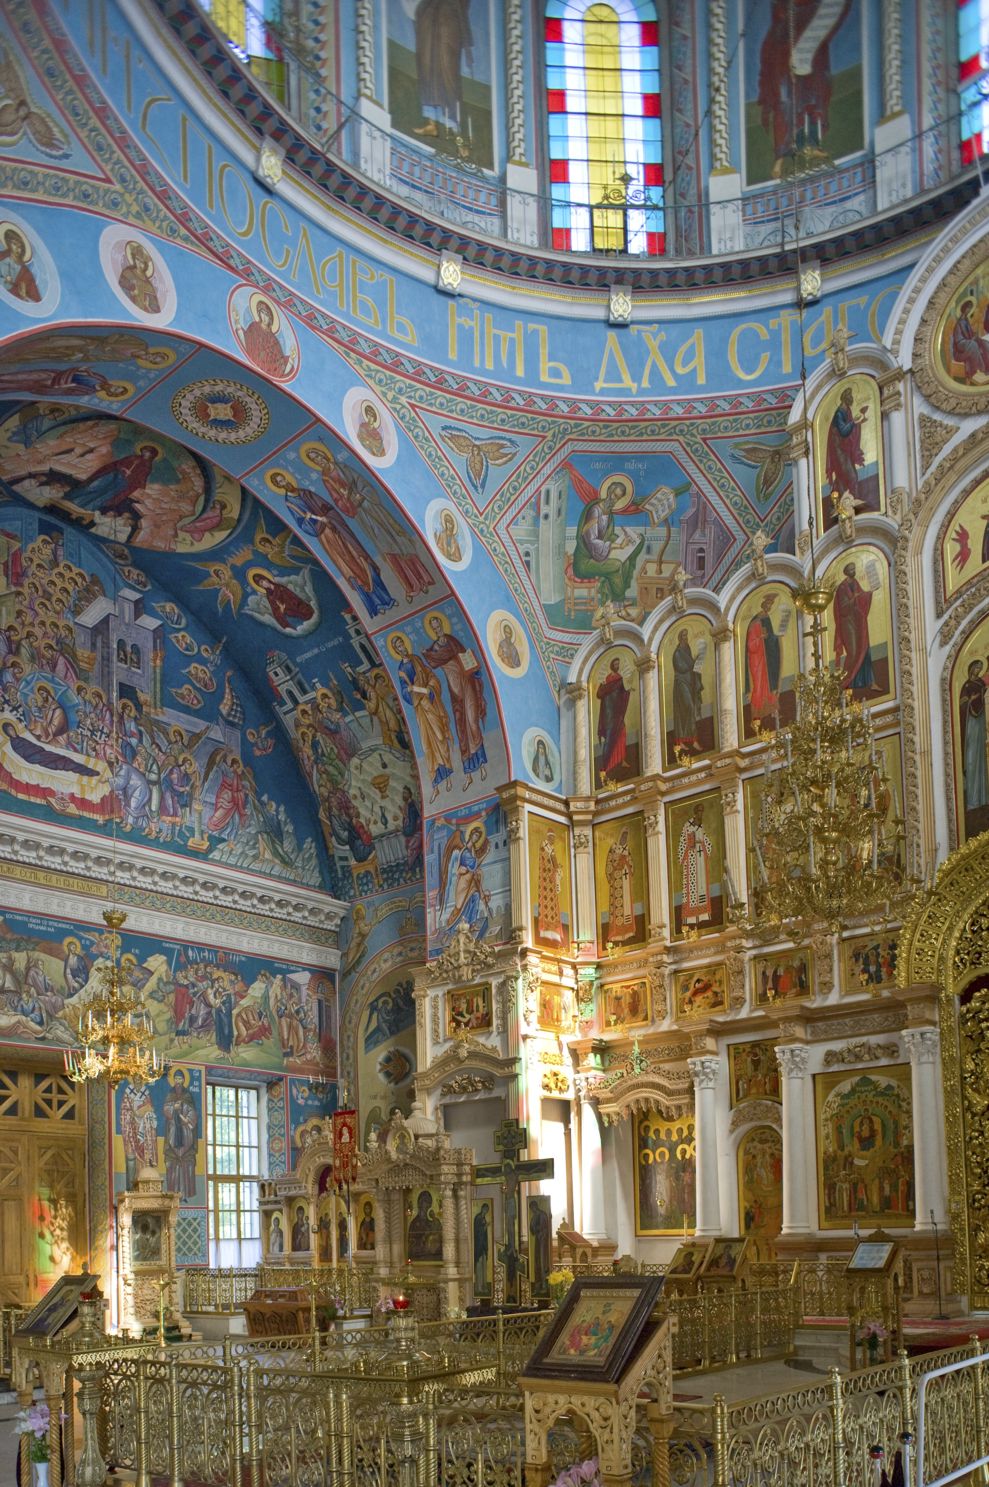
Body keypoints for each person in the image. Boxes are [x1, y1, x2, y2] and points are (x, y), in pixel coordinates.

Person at [756, 0, 852, 177]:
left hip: (811, 53)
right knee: (786, 104)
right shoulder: (783, 18)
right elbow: (780, 17)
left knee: (814, 97)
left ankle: (813, 145)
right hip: (782, 56)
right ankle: (781, 157)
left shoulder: (814, 11)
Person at [422, 612, 487, 788]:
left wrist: (475, 671)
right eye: (433, 627)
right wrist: (426, 654)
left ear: (442, 625)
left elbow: (465, 656)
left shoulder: (452, 640)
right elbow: (433, 662)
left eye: (438, 625)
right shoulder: (434, 650)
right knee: (461, 728)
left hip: (467, 684)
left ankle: (481, 763)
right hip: (455, 690)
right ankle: (468, 772)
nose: (436, 629)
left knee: (472, 723)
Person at [572, 478, 644, 610]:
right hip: (584, 562)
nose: (614, 499)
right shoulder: (595, 511)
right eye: (614, 494)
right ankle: (617, 604)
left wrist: (625, 538)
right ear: (609, 491)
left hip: (597, 555)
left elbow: (608, 536)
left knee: (625, 562)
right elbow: (592, 542)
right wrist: (618, 546)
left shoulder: (608, 514)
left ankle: (616, 599)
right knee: (616, 565)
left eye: (618, 498)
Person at [411, 0, 473, 138]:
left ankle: (458, 134)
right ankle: (431, 123)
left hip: (447, 29)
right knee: (427, 72)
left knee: (448, 76)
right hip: (430, 29)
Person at [832, 561, 875, 692]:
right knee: (853, 651)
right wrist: (853, 599)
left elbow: (861, 597)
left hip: (858, 621)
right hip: (847, 624)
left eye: (854, 568)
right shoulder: (842, 588)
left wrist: (869, 593)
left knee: (864, 647)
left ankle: (867, 681)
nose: (853, 571)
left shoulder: (855, 583)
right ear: (846, 571)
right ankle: (844, 682)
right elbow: (843, 609)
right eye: (851, 569)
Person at [825, 386, 870, 507]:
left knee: (843, 477)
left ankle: (840, 503)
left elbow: (848, 429)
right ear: (845, 398)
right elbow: (844, 431)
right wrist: (854, 422)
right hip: (838, 451)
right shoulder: (840, 413)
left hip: (844, 449)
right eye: (850, 396)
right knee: (851, 476)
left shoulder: (847, 410)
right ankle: (851, 503)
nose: (852, 398)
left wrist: (857, 423)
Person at [745, 595, 782, 733]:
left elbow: (770, 638)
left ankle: (772, 709)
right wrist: (760, 638)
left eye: (771, 604)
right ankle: (757, 715)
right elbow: (750, 645)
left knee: (769, 683)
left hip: (766, 658)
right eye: (767, 603)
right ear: (762, 604)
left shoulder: (767, 618)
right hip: (757, 659)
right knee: (759, 685)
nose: (769, 606)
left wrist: (774, 638)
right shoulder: (755, 622)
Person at [237, 295, 295, 377]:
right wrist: (237, 323)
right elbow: (247, 342)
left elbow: (279, 360)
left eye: (267, 315)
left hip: (269, 367)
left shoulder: (274, 339)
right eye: (262, 313)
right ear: (258, 313)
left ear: (270, 318)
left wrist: (291, 359)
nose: (264, 317)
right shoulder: (253, 326)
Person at [163, 1068, 198, 1200]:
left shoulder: (188, 1095)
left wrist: (186, 1118)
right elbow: (166, 1110)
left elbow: (193, 1113)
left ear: (184, 1080)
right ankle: (173, 1194)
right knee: (172, 1164)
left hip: (185, 1135)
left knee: (186, 1164)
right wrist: (173, 1108)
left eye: (180, 1079)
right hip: (173, 1132)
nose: (178, 1082)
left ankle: (185, 1194)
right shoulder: (170, 1094)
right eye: (176, 1079)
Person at [678, 804, 714, 930]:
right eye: (699, 811)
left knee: (702, 886)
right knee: (692, 887)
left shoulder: (701, 826)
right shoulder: (687, 826)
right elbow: (683, 842)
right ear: (695, 812)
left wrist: (706, 847)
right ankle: (691, 917)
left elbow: (706, 841)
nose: (701, 814)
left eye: (702, 811)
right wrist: (690, 844)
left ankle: (703, 915)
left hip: (700, 858)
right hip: (692, 858)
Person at [960, 658, 989, 817]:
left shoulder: (980, 684)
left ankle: (983, 797)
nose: (978, 670)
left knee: (981, 759)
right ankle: (972, 800)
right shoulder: (965, 686)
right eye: (976, 667)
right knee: (971, 757)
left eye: (980, 668)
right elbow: (962, 703)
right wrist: (970, 700)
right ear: (971, 668)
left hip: (980, 722)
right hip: (970, 724)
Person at [595, 657, 630, 781]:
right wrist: (603, 686)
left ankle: (620, 759)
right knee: (609, 738)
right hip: (609, 714)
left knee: (622, 732)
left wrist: (628, 691)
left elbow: (622, 693)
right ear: (611, 665)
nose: (617, 665)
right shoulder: (608, 679)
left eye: (618, 664)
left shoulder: (620, 678)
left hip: (617, 713)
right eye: (615, 664)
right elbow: (600, 694)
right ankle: (605, 767)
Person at [120, 1083, 158, 1188]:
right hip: (132, 1129)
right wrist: (132, 1114)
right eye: (135, 1078)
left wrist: (145, 1113)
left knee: (144, 1157)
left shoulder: (145, 1092)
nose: (137, 1080)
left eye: (139, 1078)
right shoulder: (128, 1092)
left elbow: (150, 1107)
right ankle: (132, 1187)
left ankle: (144, 1187)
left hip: (144, 1128)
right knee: (131, 1157)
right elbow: (124, 1111)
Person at [671, 629, 703, 753]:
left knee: (691, 708)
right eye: (683, 635)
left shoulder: (687, 648)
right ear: (680, 638)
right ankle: (680, 741)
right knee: (687, 708)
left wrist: (694, 662)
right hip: (681, 684)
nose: (686, 637)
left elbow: (689, 665)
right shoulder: (677, 653)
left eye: (686, 635)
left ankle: (693, 740)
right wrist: (693, 662)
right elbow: (681, 667)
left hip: (689, 683)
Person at [605, 826, 636, 944]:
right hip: (617, 883)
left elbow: (632, 865)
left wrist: (626, 863)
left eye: (626, 836)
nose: (624, 838)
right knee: (618, 908)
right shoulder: (613, 848)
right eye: (623, 835)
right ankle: (616, 935)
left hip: (626, 881)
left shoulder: (627, 849)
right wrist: (615, 870)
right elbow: (609, 865)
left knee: (627, 907)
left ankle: (628, 932)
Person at [536, 829, 565, 947]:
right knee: (546, 906)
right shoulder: (544, 846)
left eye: (554, 838)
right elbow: (546, 863)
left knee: (553, 906)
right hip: (545, 883)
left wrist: (557, 869)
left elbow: (555, 864)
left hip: (552, 883)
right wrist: (553, 870)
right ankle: (545, 933)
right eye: (552, 837)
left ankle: (555, 934)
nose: (553, 840)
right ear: (548, 837)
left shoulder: (552, 849)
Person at [950, 298, 989, 384]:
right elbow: (958, 342)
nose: (969, 310)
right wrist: (970, 340)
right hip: (960, 352)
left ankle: (987, 368)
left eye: (970, 308)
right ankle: (978, 370)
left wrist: (974, 336)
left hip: (968, 344)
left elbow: (970, 335)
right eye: (968, 308)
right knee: (973, 345)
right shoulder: (959, 324)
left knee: (984, 342)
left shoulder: (966, 321)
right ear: (964, 309)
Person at [118, 240, 161, 315]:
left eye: (142, 262)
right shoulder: (127, 273)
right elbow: (120, 287)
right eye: (137, 259)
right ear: (134, 258)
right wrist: (131, 293)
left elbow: (156, 309)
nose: (139, 263)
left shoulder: (149, 285)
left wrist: (147, 306)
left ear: (145, 265)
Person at [0, 226, 40, 302]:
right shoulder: (1, 256)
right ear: (8, 243)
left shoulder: (26, 273)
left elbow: (35, 301)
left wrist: (23, 296)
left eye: (20, 246)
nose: (17, 249)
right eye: (14, 244)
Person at [407, 1189, 442, 1261]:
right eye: (424, 1201)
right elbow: (411, 1247)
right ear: (419, 1203)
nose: (426, 1205)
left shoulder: (433, 1222)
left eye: (428, 1202)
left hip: (435, 1257)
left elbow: (441, 1241)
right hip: (418, 1258)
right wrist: (424, 1239)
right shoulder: (414, 1224)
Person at [473, 1202, 490, 1294]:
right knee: (479, 1266)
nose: (486, 1211)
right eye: (485, 1209)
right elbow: (478, 1232)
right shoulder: (478, 1218)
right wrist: (485, 1227)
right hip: (478, 1246)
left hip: (483, 1246)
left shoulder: (483, 1218)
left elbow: (484, 1234)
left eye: (487, 1210)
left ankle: (484, 1286)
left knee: (483, 1266)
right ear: (482, 1208)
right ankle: (478, 1287)